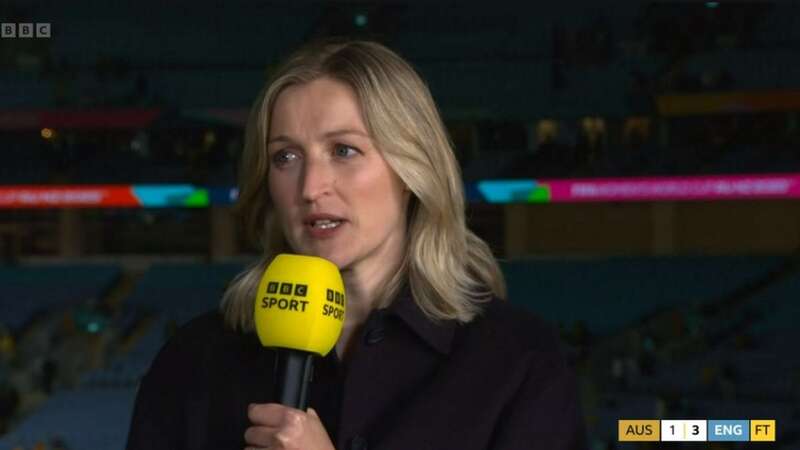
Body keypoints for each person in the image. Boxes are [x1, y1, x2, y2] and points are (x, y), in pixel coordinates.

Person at [126, 39, 587, 450]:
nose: (310, 187)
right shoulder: (194, 363)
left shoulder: (517, 363)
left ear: (411, 169)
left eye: (344, 150)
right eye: (285, 156)